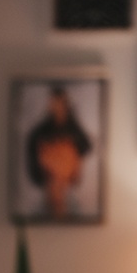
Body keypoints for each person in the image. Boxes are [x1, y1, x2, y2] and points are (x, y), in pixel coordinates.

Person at [25, 87, 92, 220]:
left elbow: (85, 145)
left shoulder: (74, 130)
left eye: (59, 103)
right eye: (53, 104)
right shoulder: (41, 131)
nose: (56, 108)